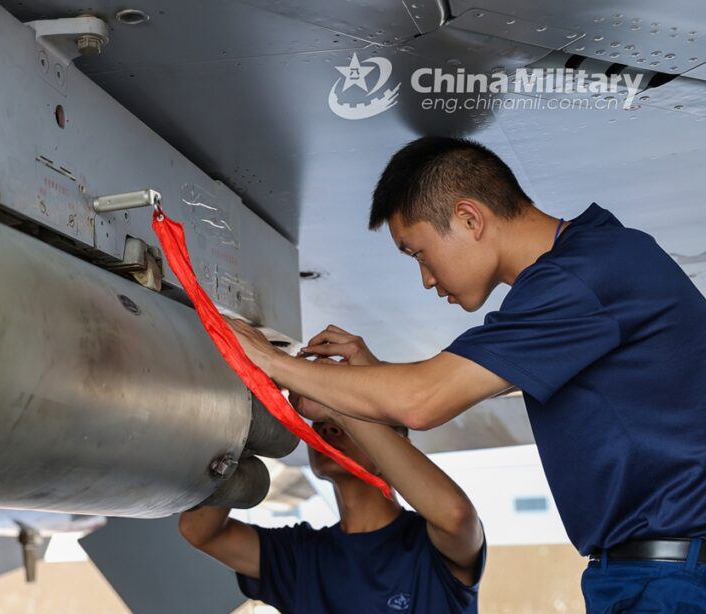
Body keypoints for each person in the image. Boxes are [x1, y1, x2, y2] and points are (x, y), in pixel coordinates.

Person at [226, 136, 706, 611]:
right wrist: (373, 379)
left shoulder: (579, 277)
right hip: (647, 573)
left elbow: (423, 401)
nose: (427, 279)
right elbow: (458, 382)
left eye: (418, 253)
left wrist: (271, 362)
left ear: (469, 218)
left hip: (671, 576)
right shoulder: (587, 268)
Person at [179, 372, 486, 613]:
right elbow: (200, 531)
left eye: (351, 418)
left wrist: (335, 404)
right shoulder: (303, 557)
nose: (327, 427)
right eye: (321, 421)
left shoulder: (429, 550)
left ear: (399, 449)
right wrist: (249, 419)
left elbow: (455, 514)